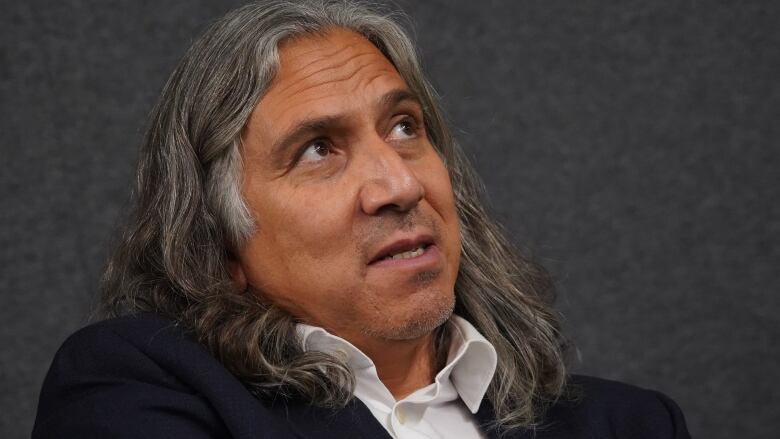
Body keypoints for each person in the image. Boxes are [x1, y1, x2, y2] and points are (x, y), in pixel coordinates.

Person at [32, 1, 690, 438]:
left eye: (405, 127)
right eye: (318, 148)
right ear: (219, 235)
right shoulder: (134, 387)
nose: (400, 184)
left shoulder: (631, 423)